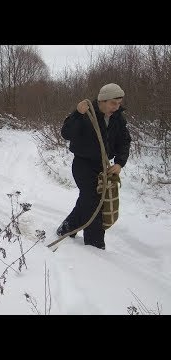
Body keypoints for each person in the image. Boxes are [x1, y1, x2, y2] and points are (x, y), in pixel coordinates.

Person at [57, 83, 132, 250]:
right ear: (103, 101)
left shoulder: (118, 117)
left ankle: (67, 228)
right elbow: (66, 133)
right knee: (92, 201)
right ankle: (94, 246)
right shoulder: (85, 112)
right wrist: (77, 114)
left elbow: (124, 141)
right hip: (83, 164)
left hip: (103, 166)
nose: (117, 107)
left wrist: (120, 162)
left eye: (119, 103)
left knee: (88, 200)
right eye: (113, 103)